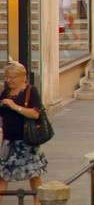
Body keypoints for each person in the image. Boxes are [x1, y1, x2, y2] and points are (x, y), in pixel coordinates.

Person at [0, 63, 48, 205]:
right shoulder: (5, 93)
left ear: (23, 77)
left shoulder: (30, 91)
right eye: (6, 77)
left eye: (12, 77)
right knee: (2, 174)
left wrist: (14, 106)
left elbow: (35, 114)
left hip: (26, 141)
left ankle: (38, 202)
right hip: (8, 141)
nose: (9, 80)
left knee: (33, 174)